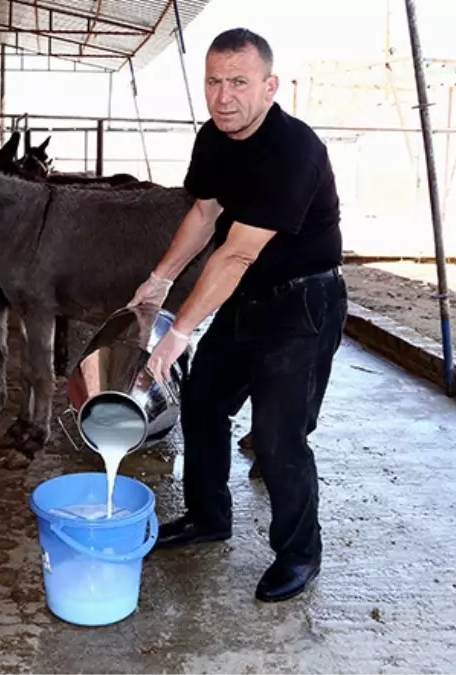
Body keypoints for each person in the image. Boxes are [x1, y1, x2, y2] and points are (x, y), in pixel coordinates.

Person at [127, 27, 347, 603]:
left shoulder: (293, 150)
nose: (224, 97)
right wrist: (160, 277)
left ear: (270, 86)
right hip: (248, 296)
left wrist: (179, 331)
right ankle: (207, 517)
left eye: (240, 83)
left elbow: (236, 251)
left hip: (303, 301)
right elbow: (204, 215)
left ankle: (299, 554)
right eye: (214, 82)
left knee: (279, 436)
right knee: (201, 403)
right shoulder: (215, 138)